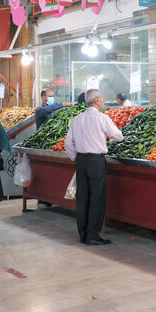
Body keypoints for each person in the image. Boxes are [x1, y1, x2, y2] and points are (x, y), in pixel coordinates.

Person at [65, 89, 123, 245]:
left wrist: (75, 157)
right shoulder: (102, 118)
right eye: (102, 98)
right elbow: (118, 136)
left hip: (81, 161)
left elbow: (67, 143)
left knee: (82, 197)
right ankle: (92, 235)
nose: (104, 101)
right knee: (96, 197)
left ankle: (83, 234)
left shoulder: (77, 119)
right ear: (96, 100)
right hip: (96, 161)